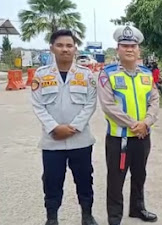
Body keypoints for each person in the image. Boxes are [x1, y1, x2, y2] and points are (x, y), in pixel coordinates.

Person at [31, 29, 98, 225]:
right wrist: (53, 127)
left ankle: (87, 215)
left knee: (85, 181)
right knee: (51, 182)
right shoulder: (42, 75)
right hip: (52, 142)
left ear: (75, 49)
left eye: (69, 46)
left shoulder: (86, 75)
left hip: (81, 140)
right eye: (60, 45)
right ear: (52, 48)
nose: (65, 49)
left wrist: (74, 127)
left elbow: (91, 104)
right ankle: (52, 218)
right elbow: (37, 104)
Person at [97, 26, 160, 225]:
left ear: (138, 49)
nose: (129, 49)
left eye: (133, 45)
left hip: (142, 137)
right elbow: (108, 106)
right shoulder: (108, 74)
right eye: (125, 45)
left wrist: (147, 122)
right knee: (116, 180)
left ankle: (137, 208)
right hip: (119, 138)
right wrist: (134, 124)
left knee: (140, 175)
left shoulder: (146, 74)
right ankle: (114, 217)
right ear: (118, 49)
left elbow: (155, 100)